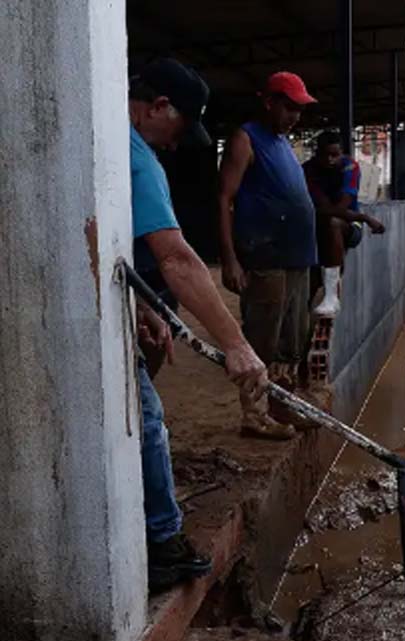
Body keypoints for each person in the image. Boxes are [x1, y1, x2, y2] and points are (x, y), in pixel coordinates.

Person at [128, 59, 270, 592]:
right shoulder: (137, 158)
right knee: (145, 423)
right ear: (159, 107)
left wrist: (143, 307)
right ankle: (162, 544)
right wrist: (235, 344)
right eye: (181, 126)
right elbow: (178, 260)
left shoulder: (113, 147)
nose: (178, 140)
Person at [217, 72, 319, 440]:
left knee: (291, 339)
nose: (295, 116)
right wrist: (230, 258)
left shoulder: (281, 143)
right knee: (262, 339)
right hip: (266, 257)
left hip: (296, 257)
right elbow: (225, 199)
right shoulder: (246, 138)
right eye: (289, 106)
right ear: (268, 101)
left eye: (299, 109)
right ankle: (254, 415)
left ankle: (280, 405)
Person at [303, 130, 387, 317]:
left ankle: (332, 296)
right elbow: (323, 207)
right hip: (317, 227)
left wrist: (357, 219)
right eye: (325, 155)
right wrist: (366, 218)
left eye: (335, 155)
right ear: (317, 154)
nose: (330, 160)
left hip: (348, 227)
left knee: (333, 223)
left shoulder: (350, 167)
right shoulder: (308, 170)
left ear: (342, 153)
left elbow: (341, 208)